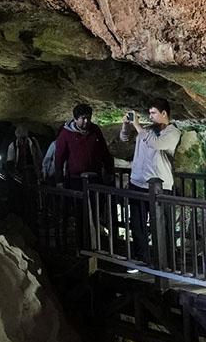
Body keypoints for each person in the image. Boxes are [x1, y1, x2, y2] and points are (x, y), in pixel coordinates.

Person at [120, 98, 182, 264]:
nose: (151, 116)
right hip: (138, 183)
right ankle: (143, 258)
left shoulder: (173, 132)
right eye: (150, 113)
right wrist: (126, 125)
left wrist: (137, 126)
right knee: (137, 225)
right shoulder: (146, 130)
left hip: (160, 186)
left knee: (162, 224)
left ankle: (167, 260)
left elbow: (156, 144)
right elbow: (125, 138)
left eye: (154, 113)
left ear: (164, 113)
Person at [54, 103, 113, 188]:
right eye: (83, 118)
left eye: (88, 118)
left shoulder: (95, 130)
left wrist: (109, 171)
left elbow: (104, 151)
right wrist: (59, 180)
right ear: (75, 119)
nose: (86, 121)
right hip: (76, 178)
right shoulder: (66, 134)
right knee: (78, 200)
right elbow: (59, 157)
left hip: (95, 176)